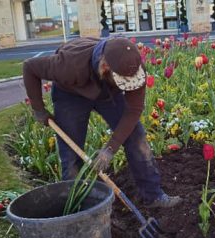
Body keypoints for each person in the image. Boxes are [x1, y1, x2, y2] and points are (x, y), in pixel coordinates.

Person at [23, 37, 181, 208]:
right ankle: (76, 206)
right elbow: (30, 67)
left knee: (136, 137)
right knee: (70, 154)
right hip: (71, 94)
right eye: (123, 82)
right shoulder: (68, 65)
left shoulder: (132, 68)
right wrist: (38, 108)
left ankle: (154, 196)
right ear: (105, 67)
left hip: (108, 94)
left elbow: (134, 110)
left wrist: (110, 148)